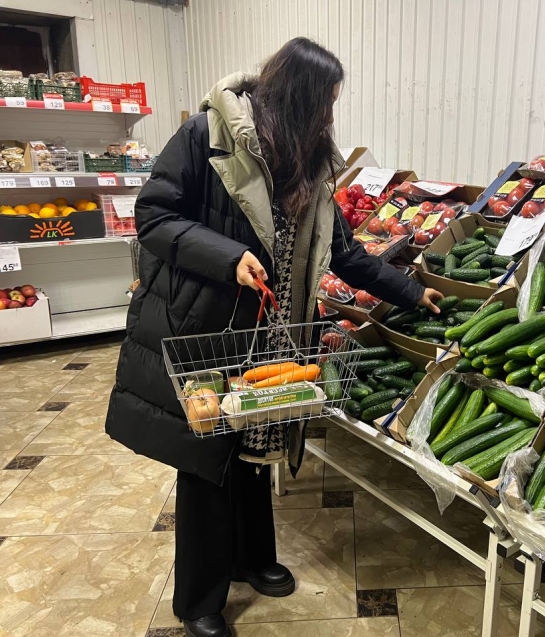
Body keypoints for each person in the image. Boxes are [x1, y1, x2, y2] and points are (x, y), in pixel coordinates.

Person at [105, 38, 442, 637]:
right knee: (206, 459)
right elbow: (153, 217)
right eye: (326, 103)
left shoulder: (309, 162)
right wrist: (228, 255)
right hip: (206, 324)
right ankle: (200, 600)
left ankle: (253, 558)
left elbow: (342, 253)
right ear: (297, 97)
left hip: (273, 332)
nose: (331, 117)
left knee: (258, 446)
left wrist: (412, 292)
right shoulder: (207, 136)